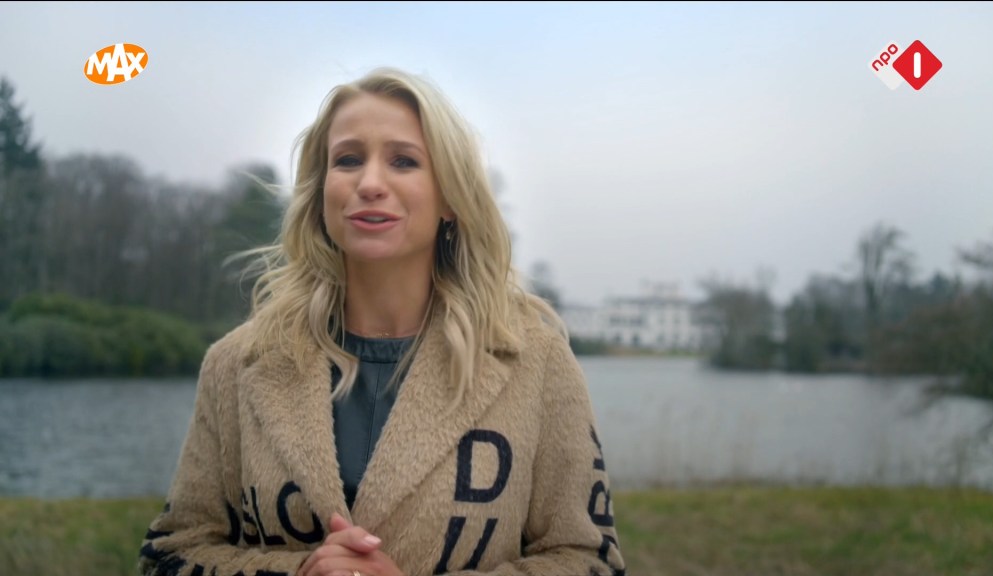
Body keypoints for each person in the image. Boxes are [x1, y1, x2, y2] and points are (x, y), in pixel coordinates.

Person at [138, 67, 627, 576]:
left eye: (404, 161)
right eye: (348, 159)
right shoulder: (236, 364)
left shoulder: (536, 360)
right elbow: (168, 554)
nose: (370, 183)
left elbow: (589, 561)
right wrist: (300, 573)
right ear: (321, 191)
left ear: (450, 198)